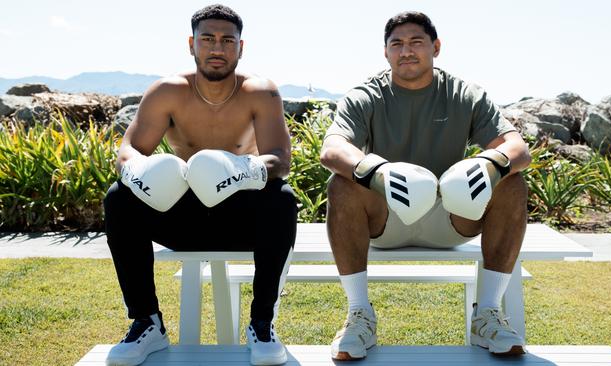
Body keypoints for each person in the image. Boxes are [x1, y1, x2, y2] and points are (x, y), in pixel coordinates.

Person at [319, 11, 532, 360]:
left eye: (416, 42)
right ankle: (359, 315)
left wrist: (489, 163)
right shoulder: (365, 95)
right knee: (341, 185)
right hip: (385, 219)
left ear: (435, 47)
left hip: (450, 217)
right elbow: (332, 149)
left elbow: (517, 147)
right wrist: (377, 171)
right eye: (396, 44)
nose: (406, 51)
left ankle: (487, 315)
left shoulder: (465, 94)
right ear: (385, 53)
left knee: (512, 182)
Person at [102, 4, 296, 366]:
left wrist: (241, 169)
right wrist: (137, 172)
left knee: (282, 200)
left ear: (241, 47)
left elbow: (280, 160)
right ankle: (147, 323)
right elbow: (128, 151)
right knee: (119, 198)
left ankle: (262, 324)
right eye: (208, 39)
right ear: (192, 44)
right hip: (184, 216)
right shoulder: (167, 91)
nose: (217, 48)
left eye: (227, 40)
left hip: (241, 220)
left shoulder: (261, 92)